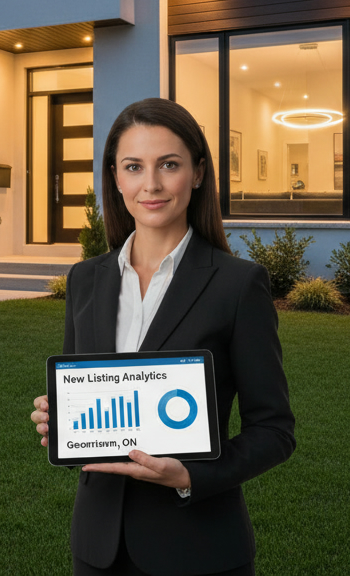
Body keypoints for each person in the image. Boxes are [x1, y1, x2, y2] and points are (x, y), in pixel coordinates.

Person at [30, 98, 295, 576]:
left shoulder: (238, 284)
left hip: (198, 549)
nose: (150, 184)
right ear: (116, 178)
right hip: (97, 549)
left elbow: (275, 431)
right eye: (134, 167)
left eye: (168, 165)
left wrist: (191, 475)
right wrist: (64, 425)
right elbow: (87, 403)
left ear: (196, 173)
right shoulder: (85, 280)